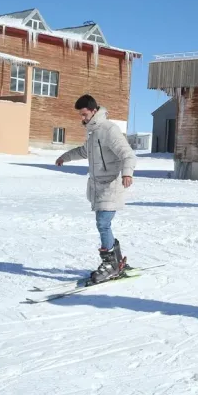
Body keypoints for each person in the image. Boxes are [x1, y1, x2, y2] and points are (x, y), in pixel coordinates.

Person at [55, 94, 136, 284]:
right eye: (81, 116)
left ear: (93, 111)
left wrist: (127, 173)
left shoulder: (109, 129)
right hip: (97, 185)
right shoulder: (92, 131)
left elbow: (128, 154)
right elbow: (85, 151)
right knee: (103, 224)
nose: (82, 118)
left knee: (103, 223)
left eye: (84, 114)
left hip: (111, 184)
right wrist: (64, 157)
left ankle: (110, 265)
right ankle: (116, 261)